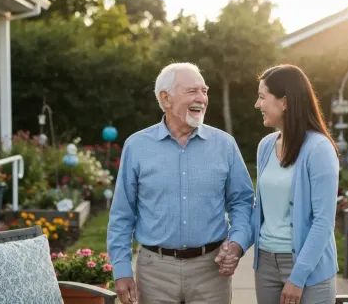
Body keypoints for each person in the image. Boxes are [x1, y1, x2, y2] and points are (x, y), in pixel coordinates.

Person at [106, 62, 254, 304]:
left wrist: (237, 243)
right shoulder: (137, 146)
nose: (202, 99)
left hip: (211, 271)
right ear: (166, 99)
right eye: (192, 91)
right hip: (155, 272)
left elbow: (243, 202)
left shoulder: (224, 145)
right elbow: (122, 214)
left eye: (204, 91)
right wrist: (121, 269)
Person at [251, 64, 339, 304]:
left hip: (308, 268)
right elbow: (261, 210)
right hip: (266, 264)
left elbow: (323, 221)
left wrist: (298, 277)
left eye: (262, 97)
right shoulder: (266, 146)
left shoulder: (319, 149)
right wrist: (235, 245)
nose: (257, 104)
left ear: (285, 102)